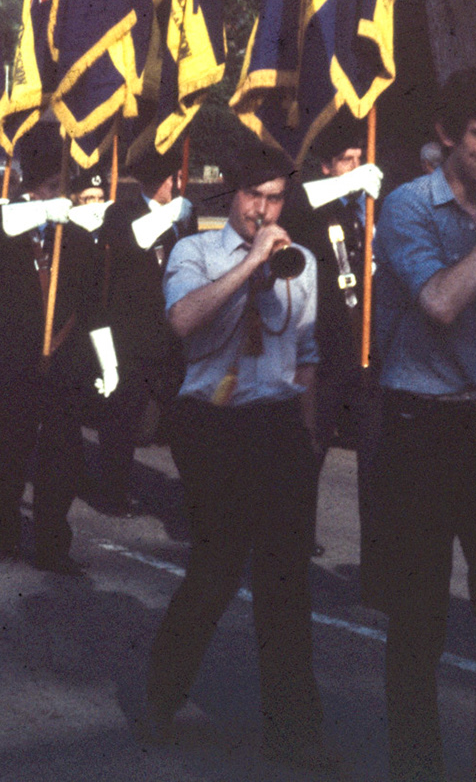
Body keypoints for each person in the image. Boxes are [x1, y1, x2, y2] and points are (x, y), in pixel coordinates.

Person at [367, 71, 476, 782]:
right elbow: (440, 300)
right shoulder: (409, 207)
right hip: (421, 425)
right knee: (419, 617)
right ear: (445, 134)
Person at [140, 142, 337, 769]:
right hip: (211, 422)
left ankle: (293, 729)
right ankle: (159, 701)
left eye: (276, 198)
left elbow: (305, 356)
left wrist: (307, 440)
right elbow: (182, 322)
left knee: (285, 581)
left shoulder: (299, 263)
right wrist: (250, 263)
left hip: (275, 422)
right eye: (255, 196)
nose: (264, 208)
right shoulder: (194, 251)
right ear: (234, 196)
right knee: (217, 568)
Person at [0, 124, 95, 573]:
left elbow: (92, 304)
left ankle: (54, 543)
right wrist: (37, 213)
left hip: (62, 360)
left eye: (64, 188)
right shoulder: (5, 223)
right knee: (8, 450)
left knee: (62, 457)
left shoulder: (74, 236)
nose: (64, 196)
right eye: (54, 187)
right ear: (34, 188)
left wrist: (103, 363)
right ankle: (8, 533)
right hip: (12, 359)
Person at [280, 122, 382, 557]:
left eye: (361, 159)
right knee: (311, 444)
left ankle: (379, 554)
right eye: (347, 160)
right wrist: (347, 183)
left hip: (363, 347)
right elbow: (297, 201)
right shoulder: (311, 210)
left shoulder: (360, 213)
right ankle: (294, 533)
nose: (358, 167)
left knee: (376, 455)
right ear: (327, 166)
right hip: (323, 347)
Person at [87, 146, 194, 517]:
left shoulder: (182, 216)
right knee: (123, 417)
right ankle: (113, 492)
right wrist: (169, 215)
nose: (181, 184)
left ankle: (190, 494)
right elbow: (134, 241)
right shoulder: (123, 211)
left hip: (169, 331)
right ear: (159, 180)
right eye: (175, 178)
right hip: (131, 331)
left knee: (181, 417)